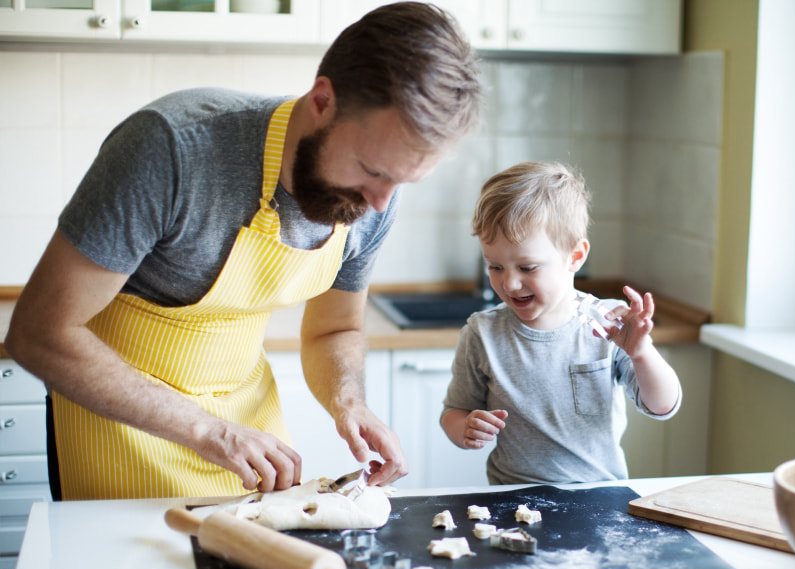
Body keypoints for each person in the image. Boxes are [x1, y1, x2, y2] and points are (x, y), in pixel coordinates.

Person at [3, 2, 483, 501]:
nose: (380, 203)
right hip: (121, 436)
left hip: (249, 437)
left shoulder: (378, 192)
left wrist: (349, 402)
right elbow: (39, 333)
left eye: (404, 181)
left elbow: (334, 328)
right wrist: (210, 432)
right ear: (322, 101)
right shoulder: (172, 148)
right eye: (373, 170)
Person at [440, 162, 682, 484]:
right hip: (512, 500)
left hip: (597, 496)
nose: (509, 283)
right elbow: (454, 412)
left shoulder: (609, 326)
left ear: (575, 256)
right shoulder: (482, 333)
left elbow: (663, 406)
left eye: (527, 267)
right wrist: (465, 428)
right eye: (495, 266)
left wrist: (642, 354)